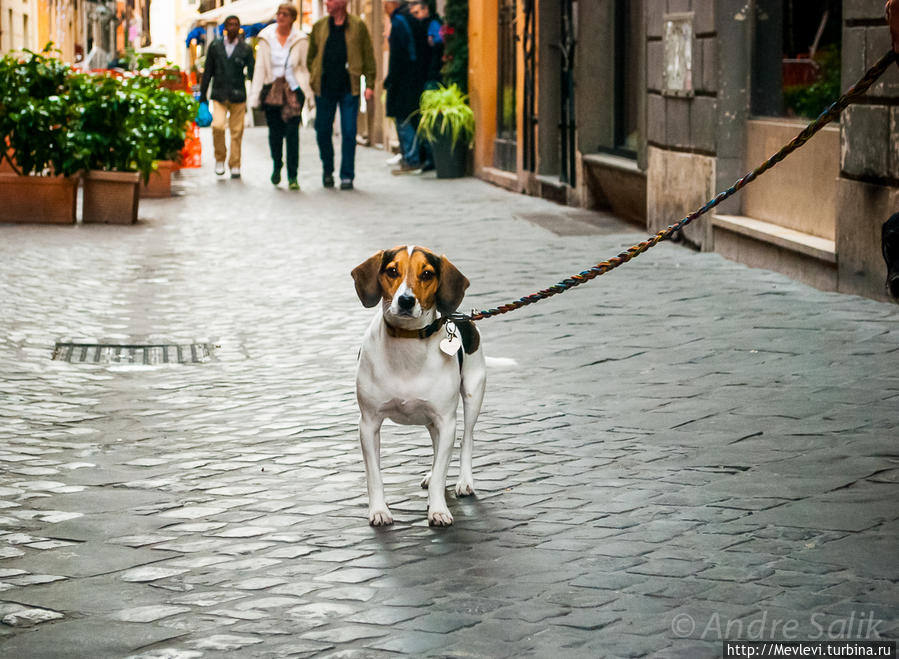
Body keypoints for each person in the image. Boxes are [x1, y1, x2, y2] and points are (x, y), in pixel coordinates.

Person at [307, 0, 377, 190]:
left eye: (330, 0)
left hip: (349, 87)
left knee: (348, 132)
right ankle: (327, 170)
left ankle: (347, 175)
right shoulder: (319, 26)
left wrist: (369, 84)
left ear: (341, 3)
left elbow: (368, 55)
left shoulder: (357, 26)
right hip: (324, 88)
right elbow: (311, 57)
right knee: (322, 131)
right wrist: (314, 76)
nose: (326, 3)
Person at [248, 4, 313, 191]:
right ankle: (277, 164)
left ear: (292, 18)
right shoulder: (266, 38)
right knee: (275, 134)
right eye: (279, 13)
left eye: (285, 14)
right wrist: (255, 95)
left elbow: (305, 66)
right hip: (272, 90)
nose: (281, 17)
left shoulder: (300, 39)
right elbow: (260, 68)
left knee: (293, 134)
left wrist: (308, 94)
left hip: (293, 90)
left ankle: (293, 175)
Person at [200, 15, 255, 179]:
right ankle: (220, 158)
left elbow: (252, 72)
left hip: (238, 94)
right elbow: (208, 71)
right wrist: (202, 95)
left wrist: (258, 92)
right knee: (217, 126)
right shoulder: (215, 46)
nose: (232, 27)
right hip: (219, 93)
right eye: (230, 24)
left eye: (235, 24)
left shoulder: (245, 48)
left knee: (237, 132)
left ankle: (235, 164)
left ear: (239, 27)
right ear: (225, 27)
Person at [384, 0, 429, 175]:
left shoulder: (400, 21)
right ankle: (413, 157)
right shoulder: (409, 19)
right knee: (410, 117)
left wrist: (391, 79)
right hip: (413, 77)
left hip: (404, 80)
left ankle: (412, 159)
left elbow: (399, 54)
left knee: (404, 118)